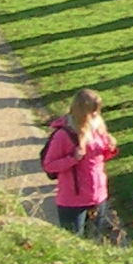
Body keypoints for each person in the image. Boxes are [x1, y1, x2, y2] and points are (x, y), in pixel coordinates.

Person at [41, 89, 117, 237]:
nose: (95, 114)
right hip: (73, 200)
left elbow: (98, 160)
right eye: (92, 111)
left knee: (94, 241)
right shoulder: (63, 135)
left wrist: (110, 148)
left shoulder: (97, 128)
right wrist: (72, 159)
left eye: (97, 110)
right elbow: (49, 165)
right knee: (74, 240)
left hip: (98, 196)